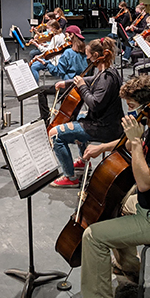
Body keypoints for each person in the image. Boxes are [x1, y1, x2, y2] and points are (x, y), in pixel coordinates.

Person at [74, 75, 150, 298]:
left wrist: (136, 143)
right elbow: (130, 143)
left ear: (146, 106)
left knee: (93, 236)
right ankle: (130, 270)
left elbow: (145, 182)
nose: (128, 114)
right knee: (117, 203)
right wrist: (102, 147)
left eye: (130, 107)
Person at [48, 38, 123, 187]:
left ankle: (70, 177)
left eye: (89, 55)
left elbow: (94, 104)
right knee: (79, 117)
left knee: (55, 134)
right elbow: (91, 79)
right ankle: (83, 161)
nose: (87, 58)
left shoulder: (106, 78)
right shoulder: (107, 70)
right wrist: (68, 82)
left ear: (96, 55)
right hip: (106, 121)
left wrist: (82, 87)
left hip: (104, 127)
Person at [36, 26, 89, 125]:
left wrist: (46, 64)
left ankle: (45, 119)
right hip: (81, 86)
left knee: (41, 90)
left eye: (67, 35)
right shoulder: (85, 52)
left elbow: (57, 72)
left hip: (68, 86)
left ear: (71, 36)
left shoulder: (68, 53)